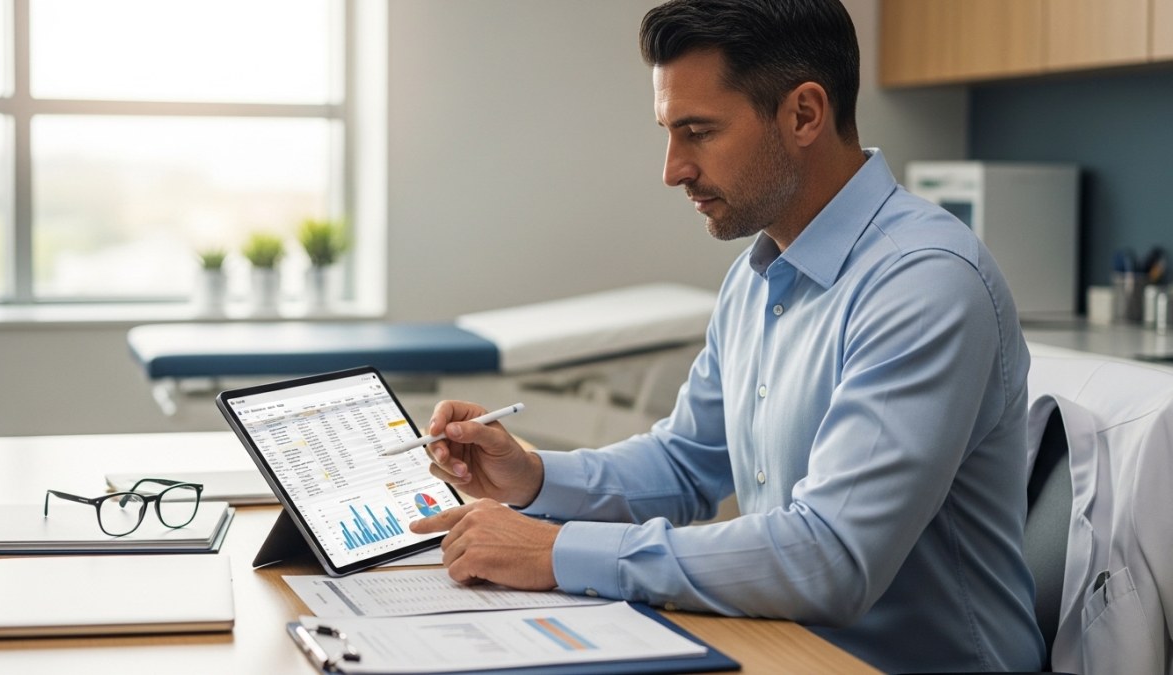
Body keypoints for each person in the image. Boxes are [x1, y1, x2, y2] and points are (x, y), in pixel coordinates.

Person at [409, 0, 1045, 671]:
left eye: (698, 132)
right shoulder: (757, 276)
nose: (672, 168)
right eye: (668, 131)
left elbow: (830, 556)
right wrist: (532, 476)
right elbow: (685, 463)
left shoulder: (923, 284)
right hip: (784, 648)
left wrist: (556, 551)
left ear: (803, 114)